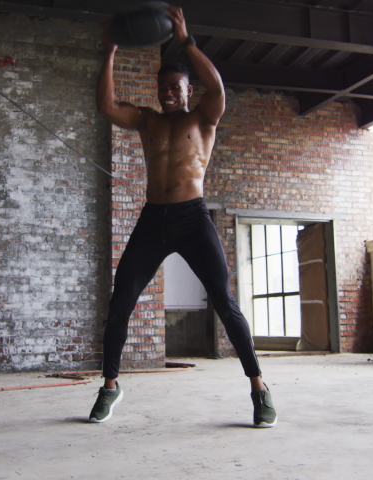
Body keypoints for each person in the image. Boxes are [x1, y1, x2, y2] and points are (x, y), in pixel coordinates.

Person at [90, 5, 276, 428]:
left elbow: (218, 88)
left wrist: (186, 41)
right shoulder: (147, 120)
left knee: (226, 305)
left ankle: (259, 388)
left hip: (193, 218)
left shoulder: (203, 118)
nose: (168, 93)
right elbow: (106, 106)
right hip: (154, 219)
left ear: (188, 89)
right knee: (120, 302)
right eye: (163, 88)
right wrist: (111, 51)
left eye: (175, 86)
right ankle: (110, 385)